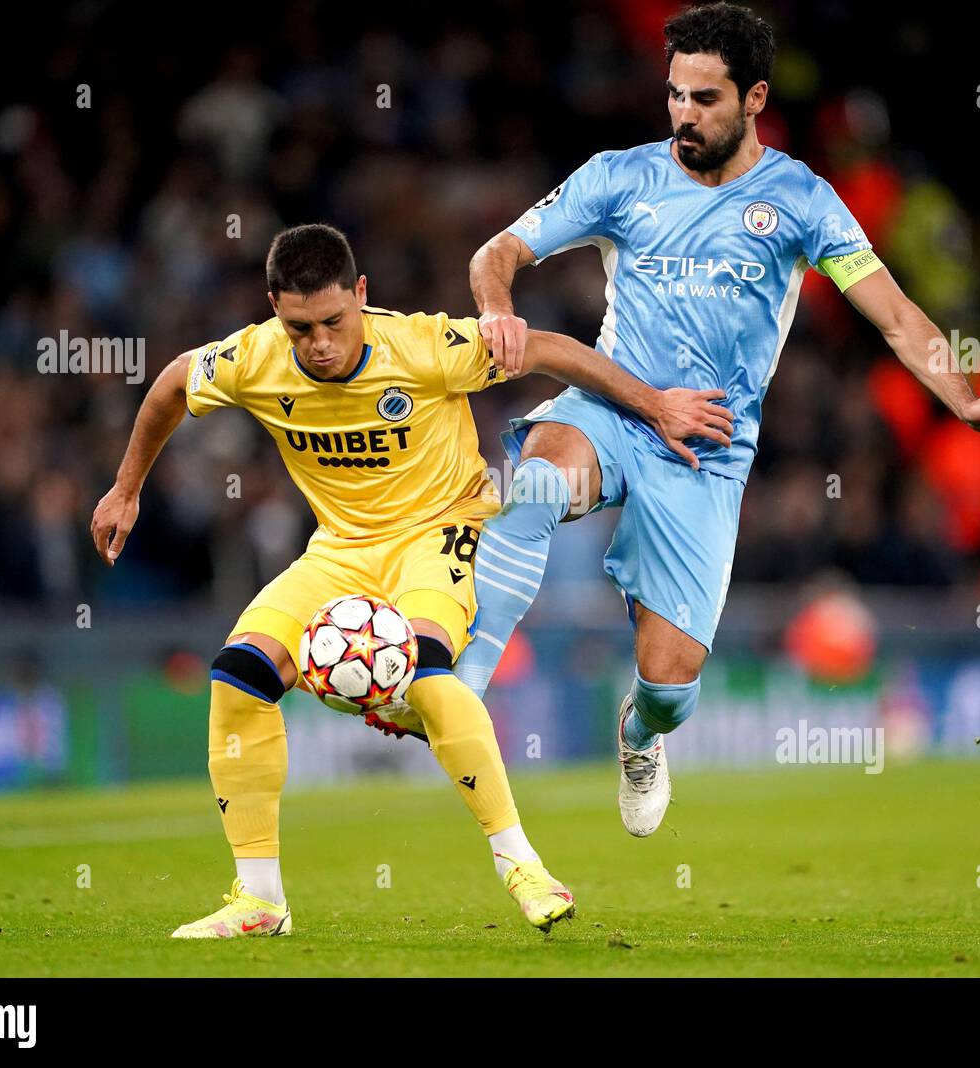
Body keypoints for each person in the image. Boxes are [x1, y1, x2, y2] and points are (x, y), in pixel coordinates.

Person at [452, 3, 980, 837]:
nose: (683, 115)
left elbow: (896, 314)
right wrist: (497, 311)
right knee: (539, 484)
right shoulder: (621, 177)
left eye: (705, 99)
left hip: (706, 451)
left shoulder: (803, 201)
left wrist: (964, 398)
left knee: (668, 685)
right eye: (674, 96)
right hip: (616, 405)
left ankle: (639, 734)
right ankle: (462, 687)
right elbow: (496, 254)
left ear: (756, 97)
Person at [89, 222, 729, 935]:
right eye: (300, 328)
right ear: (274, 308)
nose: (321, 343)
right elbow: (174, 381)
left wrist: (656, 405)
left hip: (440, 533)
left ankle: (520, 864)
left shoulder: (426, 346)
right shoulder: (252, 359)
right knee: (236, 675)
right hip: (339, 549)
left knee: (425, 672)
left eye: (334, 320)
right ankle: (260, 899)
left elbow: (553, 351)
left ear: (361, 295)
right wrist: (126, 490)